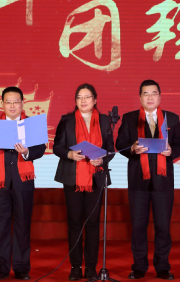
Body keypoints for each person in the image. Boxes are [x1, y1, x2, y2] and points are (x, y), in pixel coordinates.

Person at [115, 79, 180, 280]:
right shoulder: (129, 118)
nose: (150, 97)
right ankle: (139, 266)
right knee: (138, 226)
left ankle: (162, 267)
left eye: (154, 93)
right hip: (138, 181)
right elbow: (120, 143)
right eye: (146, 93)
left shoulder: (172, 118)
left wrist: (172, 151)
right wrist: (132, 148)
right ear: (140, 97)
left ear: (159, 96)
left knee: (162, 226)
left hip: (163, 181)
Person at [0, 86, 46, 280]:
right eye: (8, 102)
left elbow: (40, 149)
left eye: (16, 102)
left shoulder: (30, 124)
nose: (12, 106)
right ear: (2, 104)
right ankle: (1, 269)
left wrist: (26, 152)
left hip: (23, 182)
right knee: (1, 226)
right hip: (0, 184)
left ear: (23, 103)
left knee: (22, 226)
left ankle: (21, 268)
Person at [53, 83, 115, 281]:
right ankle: (75, 267)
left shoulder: (104, 121)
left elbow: (110, 149)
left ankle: (90, 267)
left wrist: (102, 159)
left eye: (87, 97)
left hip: (96, 177)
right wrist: (69, 154)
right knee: (74, 223)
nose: (83, 100)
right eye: (79, 97)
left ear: (95, 100)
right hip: (72, 178)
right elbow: (57, 147)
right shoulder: (67, 120)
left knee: (93, 224)